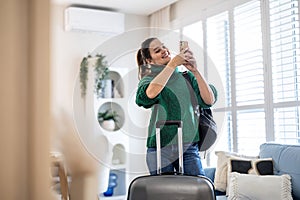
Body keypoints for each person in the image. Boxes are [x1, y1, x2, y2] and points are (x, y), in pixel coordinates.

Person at [135, 37, 218, 176]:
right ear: (149, 61)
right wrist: (172, 64)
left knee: (198, 190)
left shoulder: (186, 77)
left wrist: (195, 71)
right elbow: (149, 94)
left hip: (188, 146)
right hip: (159, 148)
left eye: (163, 46)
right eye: (157, 50)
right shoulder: (149, 80)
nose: (163, 50)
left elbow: (209, 100)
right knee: (163, 193)